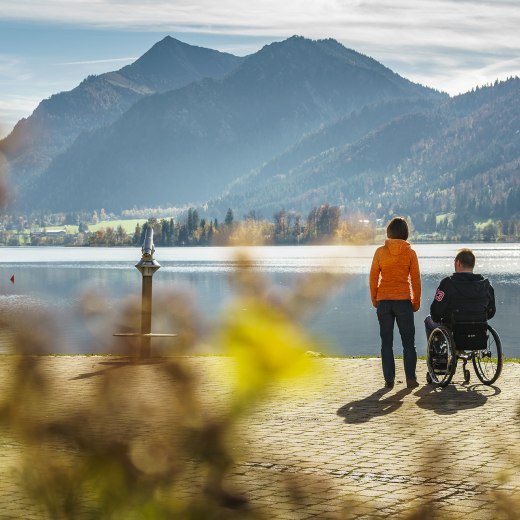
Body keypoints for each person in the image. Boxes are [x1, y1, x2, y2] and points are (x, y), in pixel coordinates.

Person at [369, 217, 421, 389]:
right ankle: (411, 379)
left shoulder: (380, 252)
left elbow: (373, 277)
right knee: (408, 342)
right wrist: (416, 301)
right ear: (405, 233)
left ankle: (389, 380)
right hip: (403, 301)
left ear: (388, 233)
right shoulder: (410, 253)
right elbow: (416, 280)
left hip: (384, 301)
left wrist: (374, 298)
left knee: (386, 342)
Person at [424, 248, 495, 339]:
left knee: (428, 320)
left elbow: (436, 311)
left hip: (453, 329)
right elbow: (491, 312)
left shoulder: (447, 284)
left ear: (458, 263)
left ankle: (437, 352)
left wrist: (437, 318)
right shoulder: (486, 286)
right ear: (473, 264)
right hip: (478, 328)